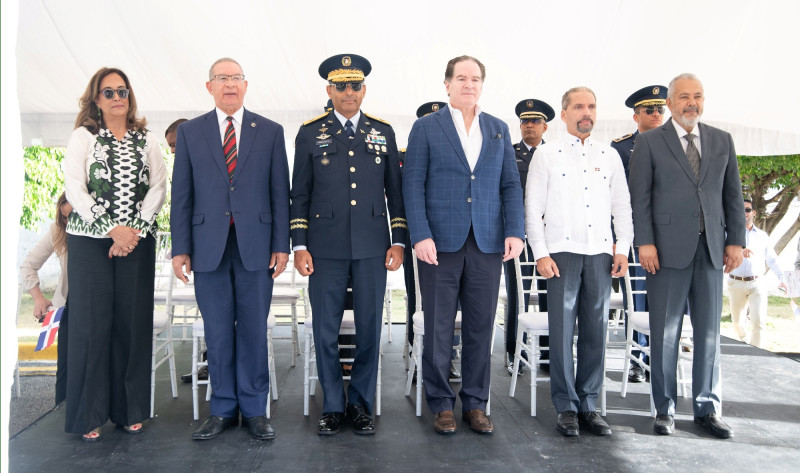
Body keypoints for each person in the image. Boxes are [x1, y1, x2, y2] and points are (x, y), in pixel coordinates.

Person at [403, 55, 525, 435]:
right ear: (447, 84)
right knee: (439, 328)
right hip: (439, 244)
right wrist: (420, 234)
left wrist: (515, 231)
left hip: (488, 243)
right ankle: (440, 403)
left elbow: (509, 185)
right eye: (461, 78)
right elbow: (413, 185)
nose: (468, 84)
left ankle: (475, 402)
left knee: (480, 327)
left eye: (475, 79)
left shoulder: (498, 129)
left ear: (482, 85)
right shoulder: (426, 128)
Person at [171, 57, 290, 441]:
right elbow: (182, 196)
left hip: (257, 247)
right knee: (219, 333)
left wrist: (281, 244)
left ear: (246, 84)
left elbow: (279, 193)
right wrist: (180, 248)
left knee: (254, 331)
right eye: (222, 78)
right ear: (210, 87)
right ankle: (222, 409)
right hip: (208, 249)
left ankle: (255, 410)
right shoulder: (191, 132)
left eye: (236, 78)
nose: (230, 85)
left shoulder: (270, 131)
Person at [291, 54, 406, 436]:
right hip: (324, 248)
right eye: (341, 86)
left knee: (370, 329)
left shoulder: (382, 131)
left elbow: (395, 192)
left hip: (374, 246)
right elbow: (299, 195)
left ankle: (359, 403)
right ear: (329, 90)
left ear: (364, 90)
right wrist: (299, 245)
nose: (349, 92)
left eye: (355, 85)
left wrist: (399, 240)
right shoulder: (310, 132)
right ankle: (333, 405)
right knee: (325, 329)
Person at [629, 73, 745, 439]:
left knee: (710, 333)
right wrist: (644, 242)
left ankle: (707, 408)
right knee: (665, 333)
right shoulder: (649, 142)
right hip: (663, 253)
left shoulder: (722, 140)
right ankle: (664, 409)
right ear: (669, 103)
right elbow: (640, 199)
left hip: (712, 251)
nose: (691, 103)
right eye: (683, 97)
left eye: (697, 96)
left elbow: (733, 196)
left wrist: (735, 241)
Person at [63, 67, 167, 442]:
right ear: (96, 99)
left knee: (132, 324)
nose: (117, 97)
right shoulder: (83, 137)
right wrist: (111, 228)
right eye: (108, 92)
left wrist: (134, 230)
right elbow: (73, 186)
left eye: (122, 91)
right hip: (90, 240)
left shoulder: (148, 139)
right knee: (91, 327)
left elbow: (159, 186)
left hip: (136, 241)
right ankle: (87, 414)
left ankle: (129, 410)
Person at [525, 86, 632, 437]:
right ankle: (566, 406)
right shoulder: (547, 154)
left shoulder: (610, 154)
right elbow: (533, 207)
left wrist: (622, 248)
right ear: (565, 113)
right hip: (561, 253)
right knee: (561, 332)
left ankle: (588, 404)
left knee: (596, 331)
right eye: (579, 107)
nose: (586, 112)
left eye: (592, 106)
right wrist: (540, 252)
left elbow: (622, 207)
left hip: (600, 253)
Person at [610, 84, 668, 383]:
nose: (656, 114)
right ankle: (637, 358)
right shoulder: (620, 148)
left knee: (668, 300)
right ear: (636, 116)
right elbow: (614, 199)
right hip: (635, 236)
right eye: (649, 109)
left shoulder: (676, 144)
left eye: (660, 108)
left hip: (670, 236)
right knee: (639, 300)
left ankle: (663, 358)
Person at [404, 101, 460, 383]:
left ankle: (449, 357)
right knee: (421, 303)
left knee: (454, 311)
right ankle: (417, 351)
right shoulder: (417, 140)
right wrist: (418, 234)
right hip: (423, 237)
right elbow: (410, 187)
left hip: (457, 237)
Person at [505, 98, 554, 376]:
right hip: (518, 237)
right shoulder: (509, 154)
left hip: (548, 237)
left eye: (535, 121)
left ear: (545, 126)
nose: (529, 126)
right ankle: (515, 352)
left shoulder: (556, 154)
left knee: (549, 294)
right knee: (518, 295)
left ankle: (548, 355)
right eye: (525, 121)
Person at [19, 192, 72, 404]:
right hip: (66, 307)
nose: (68, 222)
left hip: (96, 304)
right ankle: (61, 414)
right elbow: (27, 265)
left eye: (72, 217)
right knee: (65, 368)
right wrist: (39, 298)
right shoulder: (57, 231)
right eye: (64, 217)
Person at [727, 199, 787, 347]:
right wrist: (739, 251)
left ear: (753, 213)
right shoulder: (729, 234)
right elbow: (722, 254)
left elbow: (772, 260)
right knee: (737, 323)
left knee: (759, 321)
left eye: (747, 210)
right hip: (735, 283)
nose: (744, 213)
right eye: (741, 210)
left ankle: (756, 352)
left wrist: (782, 278)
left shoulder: (762, 236)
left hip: (757, 283)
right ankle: (744, 341)